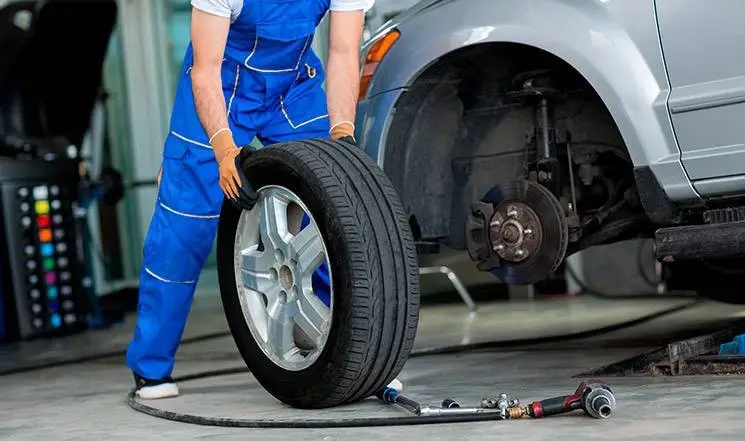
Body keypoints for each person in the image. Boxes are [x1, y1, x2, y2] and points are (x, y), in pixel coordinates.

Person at [126, 0, 374, 399]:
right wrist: (224, 150)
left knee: (337, 209)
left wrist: (343, 136)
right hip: (218, 86)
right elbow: (204, 71)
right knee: (182, 231)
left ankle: (357, 358)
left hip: (292, 87)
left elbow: (344, 54)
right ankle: (151, 365)